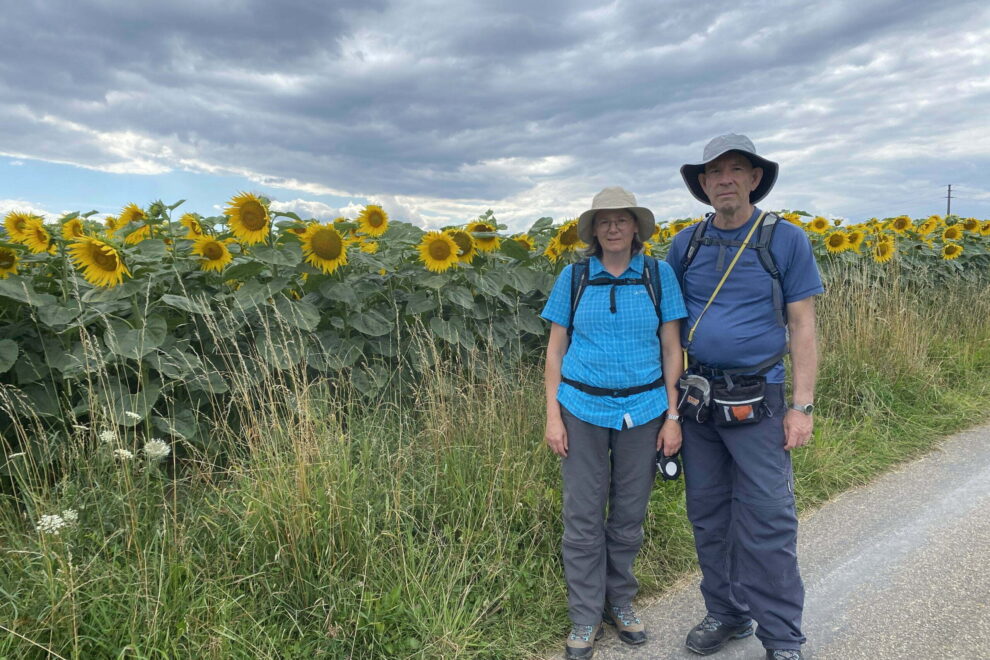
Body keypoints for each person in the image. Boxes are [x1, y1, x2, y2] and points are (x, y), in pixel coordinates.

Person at [666, 134, 823, 660]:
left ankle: (782, 637)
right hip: (697, 400)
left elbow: (802, 325)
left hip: (762, 399)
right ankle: (729, 613)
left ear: (755, 178)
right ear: (703, 184)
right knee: (708, 513)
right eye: (714, 172)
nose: (724, 179)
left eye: (735, 170)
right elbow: (668, 329)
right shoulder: (685, 244)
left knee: (767, 518)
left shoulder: (785, 239)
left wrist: (801, 406)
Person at [541, 186, 687, 659]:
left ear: (636, 227)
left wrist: (672, 415)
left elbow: (671, 349)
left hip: (644, 411)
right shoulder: (575, 275)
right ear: (593, 230)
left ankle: (619, 600)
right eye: (603, 221)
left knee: (629, 511)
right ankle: (585, 614)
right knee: (582, 514)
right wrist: (552, 416)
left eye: (621, 219)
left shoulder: (658, 275)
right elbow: (555, 349)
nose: (613, 228)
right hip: (581, 408)